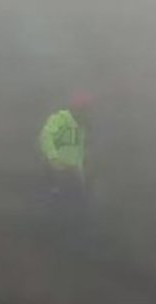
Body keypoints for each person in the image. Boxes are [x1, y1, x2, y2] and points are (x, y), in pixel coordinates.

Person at [38, 90, 95, 235]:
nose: (87, 113)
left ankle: (71, 234)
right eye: (85, 109)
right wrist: (53, 159)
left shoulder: (80, 127)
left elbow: (78, 154)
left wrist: (81, 175)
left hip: (72, 173)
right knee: (56, 202)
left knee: (77, 206)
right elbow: (46, 136)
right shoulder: (61, 118)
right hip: (56, 171)